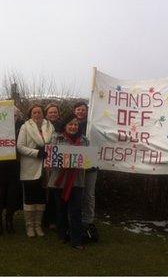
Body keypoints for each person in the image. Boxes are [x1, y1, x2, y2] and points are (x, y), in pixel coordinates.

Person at [48, 114, 88, 250]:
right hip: (59, 180)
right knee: (61, 210)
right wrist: (63, 160)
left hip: (76, 181)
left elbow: (87, 160)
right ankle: (62, 234)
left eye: (76, 124)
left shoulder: (84, 140)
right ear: (65, 125)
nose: (73, 127)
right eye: (70, 124)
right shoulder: (56, 138)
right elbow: (50, 159)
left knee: (76, 210)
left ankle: (76, 240)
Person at [17, 104, 54, 237]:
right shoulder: (25, 127)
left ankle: (38, 226)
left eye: (39, 112)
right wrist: (37, 153)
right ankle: (29, 226)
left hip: (46, 168)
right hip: (30, 168)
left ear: (43, 114)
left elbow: (53, 144)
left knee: (41, 198)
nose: (37, 115)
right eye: (34, 113)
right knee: (30, 198)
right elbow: (20, 147)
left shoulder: (49, 126)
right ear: (30, 115)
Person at [0, 106, 24, 235]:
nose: (12, 118)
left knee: (12, 196)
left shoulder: (22, 129)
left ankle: (9, 220)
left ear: (18, 117)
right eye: (9, 115)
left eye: (14, 115)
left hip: (14, 167)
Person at [73, 101, 99, 242]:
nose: (81, 112)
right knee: (76, 193)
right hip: (75, 165)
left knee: (89, 194)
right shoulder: (71, 124)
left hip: (91, 164)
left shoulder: (93, 124)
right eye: (78, 109)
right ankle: (76, 218)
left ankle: (88, 220)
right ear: (74, 111)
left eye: (83, 109)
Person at [43, 103, 62, 230]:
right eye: (50, 112)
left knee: (56, 192)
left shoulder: (62, 126)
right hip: (45, 163)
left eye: (55, 112)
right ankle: (45, 219)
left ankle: (55, 219)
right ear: (46, 114)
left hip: (59, 163)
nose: (53, 114)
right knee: (45, 192)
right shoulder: (43, 126)